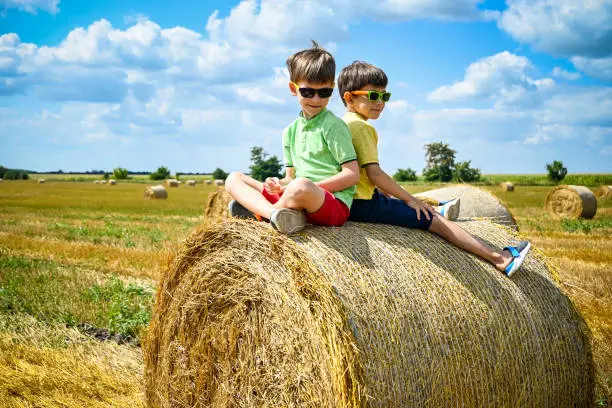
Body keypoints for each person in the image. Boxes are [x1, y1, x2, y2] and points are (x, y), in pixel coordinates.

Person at [337, 61, 531, 276]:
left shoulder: (341, 124)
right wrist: (412, 200)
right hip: (363, 204)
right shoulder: (362, 127)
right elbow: (375, 173)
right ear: (349, 97)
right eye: (373, 96)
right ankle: (500, 259)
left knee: (397, 199)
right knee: (435, 221)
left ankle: (435, 207)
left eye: (385, 96)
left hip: (348, 200)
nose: (380, 102)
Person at [225, 41, 360, 235]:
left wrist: (307, 187)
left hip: (329, 203)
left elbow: (352, 174)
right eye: (307, 92)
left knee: (301, 186)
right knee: (234, 178)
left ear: (332, 87)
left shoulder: (334, 126)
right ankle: (275, 214)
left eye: (324, 92)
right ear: (292, 88)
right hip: (293, 197)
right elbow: (290, 178)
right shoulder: (289, 131)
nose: (316, 99)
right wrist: (278, 184)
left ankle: (262, 212)